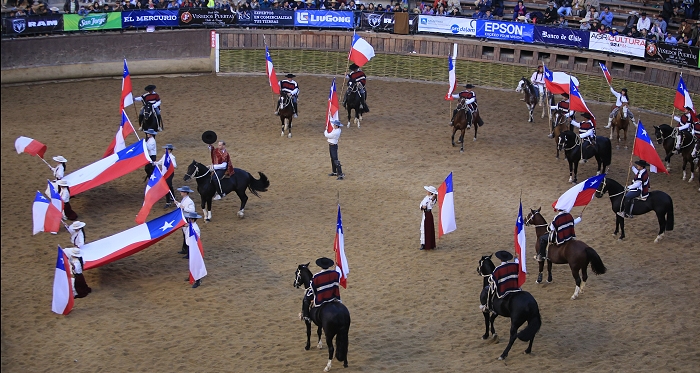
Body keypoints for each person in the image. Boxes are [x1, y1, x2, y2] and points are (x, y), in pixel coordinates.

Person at [301, 257, 341, 322]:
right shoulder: (335, 273)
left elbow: (313, 289)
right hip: (333, 297)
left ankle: (306, 316)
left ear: (320, 266)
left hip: (322, 298)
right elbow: (336, 284)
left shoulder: (316, 276)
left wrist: (313, 298)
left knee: (306, 297)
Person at [176, 186, 197, 255]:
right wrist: (178, 204)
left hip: (187, 219)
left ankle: (188, 252)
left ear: (185, 193)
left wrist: (183, 207)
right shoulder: (184, 199)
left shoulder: (189, 201)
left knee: (187, 235)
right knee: (185, 234)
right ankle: (185, 249)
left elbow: (192, 210)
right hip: (184, 218)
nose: (180, 192)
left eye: (182, 191)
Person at [419, 185, 437, 251]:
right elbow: (421, 204)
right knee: (423, 228)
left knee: (427, 228)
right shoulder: (426, 197)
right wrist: (422, 207)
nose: (427, 191)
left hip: (428, 214)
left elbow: (431, 203)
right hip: (424, 214)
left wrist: (434, 197)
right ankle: (423, 243)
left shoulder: (433, 198)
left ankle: (428, 244)